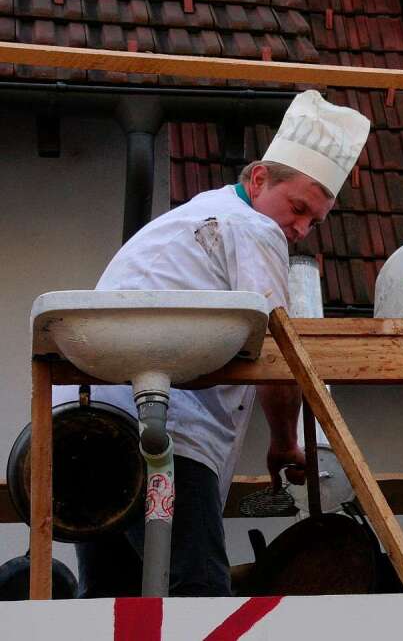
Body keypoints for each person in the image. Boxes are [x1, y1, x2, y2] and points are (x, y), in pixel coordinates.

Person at [52, 90, 371, 597]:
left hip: (81, 429)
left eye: (315, 220)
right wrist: (286, 440)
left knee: (112, 604)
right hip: (161, 435)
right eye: (298, 208)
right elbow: (278, 354)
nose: (301, 229)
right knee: (199, 595)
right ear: (260, 178)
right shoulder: (253, 228)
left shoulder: (196, 215)